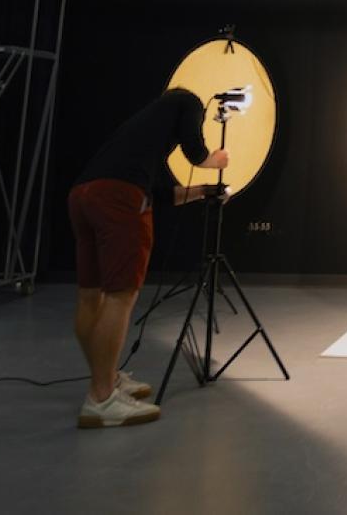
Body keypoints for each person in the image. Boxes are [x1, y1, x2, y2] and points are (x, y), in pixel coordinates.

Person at [69, 87, 229, 428]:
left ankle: (106, 379)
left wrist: (203, 191)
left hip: (83, 195)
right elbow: (196, 153)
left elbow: (158, 194)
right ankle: (101, 399)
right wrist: (214, 162)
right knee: (120, 296)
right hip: (117, 199)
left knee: (90, 296)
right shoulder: (185, 102)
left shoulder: (138, 136)